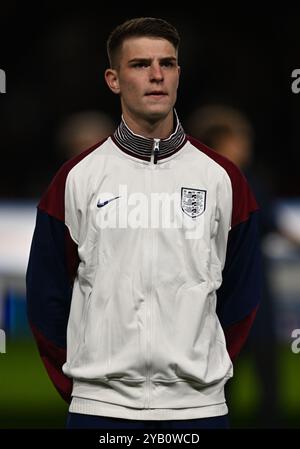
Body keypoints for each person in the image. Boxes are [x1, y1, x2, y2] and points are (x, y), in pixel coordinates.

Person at [26, 17, 261, 430]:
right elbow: (45, 292)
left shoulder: (222, 178)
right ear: (113, 79)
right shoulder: (77, 177)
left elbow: (243, 290)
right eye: (140, 65)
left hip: (199, 412)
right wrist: (86, 385)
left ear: (178, 75)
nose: (156, 75)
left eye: (167, 64)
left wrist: (203, 374)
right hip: (100, 411)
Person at [185, 104, 279, 427]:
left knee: (266, 361)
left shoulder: (253, 180)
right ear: (219, 143)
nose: (246, 147)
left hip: (255, 289)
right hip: (218, 291)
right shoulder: (202, 182)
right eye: (239, 140)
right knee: (222, 366)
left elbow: (270, 222)